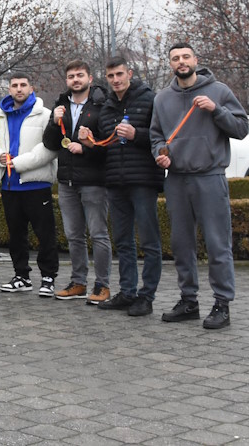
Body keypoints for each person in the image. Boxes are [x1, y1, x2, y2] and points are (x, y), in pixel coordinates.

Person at [151, 43, 248, 330]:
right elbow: (156, 136)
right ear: (170, 64)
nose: (181, 62)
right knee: (181, 245)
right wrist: (159, 154)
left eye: (185, 57)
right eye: (175, 58)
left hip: (210, 176)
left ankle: (222, 304)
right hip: (176, 180)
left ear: (195, 60)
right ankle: (188, 301)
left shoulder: (218, 91)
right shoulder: (162, 98)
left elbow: (241, 129)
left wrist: (216, 110)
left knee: (218, 243)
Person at [78, 55, 162, 318]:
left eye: (119, 74)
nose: (115, 80)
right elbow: (107, 147)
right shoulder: (107, 107)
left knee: (149, 242)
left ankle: (147, 297)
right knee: (123, 241)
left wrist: (137, 135)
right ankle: (127, 292)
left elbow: (162, 137)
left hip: (143, 180)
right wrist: (91, 144)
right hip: (115, 182)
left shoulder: (149, 100)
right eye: (111, 76)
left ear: (130, 74)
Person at [42, 60, 111, 304]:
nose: (75, 80)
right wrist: (54, 121)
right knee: (73, 236)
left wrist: (87, 148)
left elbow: (109, 143)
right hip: (67, 181)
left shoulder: (102, 105)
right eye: (71, 76)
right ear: (67, 80)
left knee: (98, 235)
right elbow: (50, 143)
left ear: (90, 78)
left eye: (80, 75)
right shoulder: (60, 105)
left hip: (94, 181)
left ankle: (102, 285)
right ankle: (78, 282)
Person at [0, 73, 59, 297]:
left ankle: (48, 278)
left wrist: (17, 163)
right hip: (9, 186)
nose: (19, 89)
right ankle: (21, 276)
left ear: (31, 88)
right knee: (16, 236)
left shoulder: (45, 115)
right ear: (9, 89)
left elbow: (49, 149)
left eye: (23, 85)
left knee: (45, 235)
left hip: (36, 185)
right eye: (14, 85)